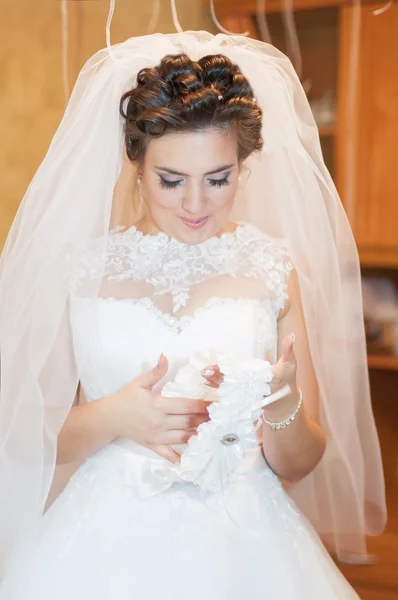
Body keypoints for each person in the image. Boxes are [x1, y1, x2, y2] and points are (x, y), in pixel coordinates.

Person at [0, 31, 386, 599]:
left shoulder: (273, 267)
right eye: (171, 180)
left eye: (218, 179)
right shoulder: (78, 269)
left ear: (244, 166)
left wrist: (281, 404)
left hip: (249, 547)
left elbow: (301, 462)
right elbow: (23, 438)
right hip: (101, 547)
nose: (196, 206)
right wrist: (113, 417)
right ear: (136, 164)